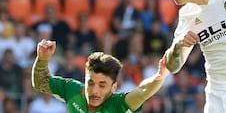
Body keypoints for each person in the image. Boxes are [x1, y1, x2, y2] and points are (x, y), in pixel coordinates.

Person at [32, 39, 170, 113]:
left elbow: (143, 92)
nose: (94, 91)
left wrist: (161, 75)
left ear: (114, 87)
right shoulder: (73, 90)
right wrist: (42, 58)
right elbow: (41, 82)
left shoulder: (118, 105)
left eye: (102, 85)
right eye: (90, 83)